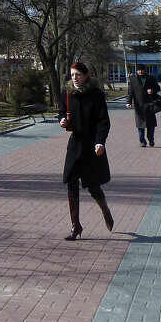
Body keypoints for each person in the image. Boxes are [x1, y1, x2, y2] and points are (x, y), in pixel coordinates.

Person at [57, 62, 113, 241]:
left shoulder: (96, 94)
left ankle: (105, 211)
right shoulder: (67, 93)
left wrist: (100, 142)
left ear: (86, 75)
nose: (75, 77)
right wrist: (62, 121)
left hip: (91, 146)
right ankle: (76, 226)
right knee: (71, 183)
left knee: (92, 186)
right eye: (72, 74)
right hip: (75, 144)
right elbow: (61, 112)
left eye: (78, 74)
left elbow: (103, 121)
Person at [127, 65, 161, 147]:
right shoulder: (133, 79)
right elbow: (130, 91)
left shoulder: (150, 78)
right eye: (138, 70)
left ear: (144, 70)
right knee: (140, 125)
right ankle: (142, 141)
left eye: (142, 70)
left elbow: (157, 88)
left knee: (151, 125)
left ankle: (151, 139)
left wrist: (152, 91)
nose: (140, 72)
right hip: (139, 105)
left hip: (149, 104)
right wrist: (129, 102)